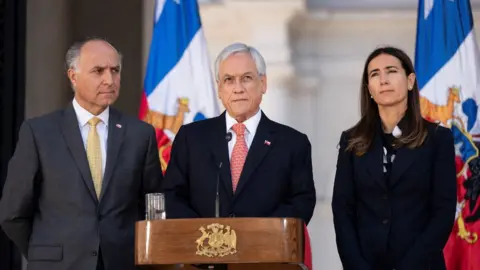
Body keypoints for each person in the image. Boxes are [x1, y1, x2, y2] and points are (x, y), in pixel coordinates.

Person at [0, 38, 163, 270]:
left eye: (115, 70)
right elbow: (13, 213)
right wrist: (45, 252)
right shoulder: (39, 133)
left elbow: (153, 208)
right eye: (98, 71)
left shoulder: (140, 135)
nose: (109, 79)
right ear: (73, 77)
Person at [331, 46, 457, 270]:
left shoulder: (438, 139)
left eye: (391, 71)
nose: (383, 80)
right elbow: (342, 210)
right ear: (369, 88)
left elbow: (443, 212)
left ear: (410, 81)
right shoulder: (351, 140)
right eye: (375, 74)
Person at [163, 42, 316, 224]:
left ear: (263, 83)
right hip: (202, 248)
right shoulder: (191, 138)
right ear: (219, 89)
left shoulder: (292, 143)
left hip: (265, 249)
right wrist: (206, 236)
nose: (238, 89)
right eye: (229, 80)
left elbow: (301, 203)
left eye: (246, 78)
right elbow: (171, 197)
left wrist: (254, 234)